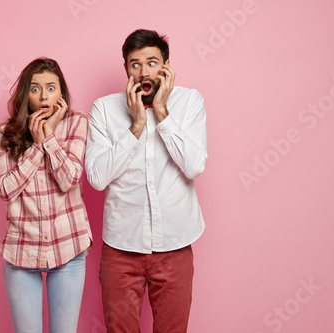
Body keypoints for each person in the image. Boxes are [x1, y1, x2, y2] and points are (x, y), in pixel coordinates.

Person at [85, 29, 208, 332]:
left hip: (175, 245)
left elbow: (194, 166)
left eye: (152, 62)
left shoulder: (190, 101)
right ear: (126, 69)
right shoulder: (104, 109)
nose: (144, 72)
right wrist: (137, 124)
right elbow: (98, 179)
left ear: (166, 66)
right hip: (121, 247)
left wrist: (163, 113)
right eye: (134, 64)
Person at [0, 57, 92, 333]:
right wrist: (37, 147)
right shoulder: (6, 132)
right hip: (21, 252)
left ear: (61, 92)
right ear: (27, 94)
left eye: (51, 87)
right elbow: (5, 189)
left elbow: (69, 179)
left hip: (68, 247)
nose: (44, 95)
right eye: (35, 88)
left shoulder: (76, 123)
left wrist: (48, 138)